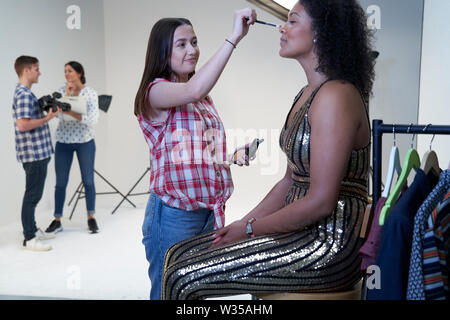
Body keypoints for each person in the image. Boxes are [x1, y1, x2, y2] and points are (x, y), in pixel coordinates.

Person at [162, 0, 376, 300]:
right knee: (176, 255)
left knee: (182, 277)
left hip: (328, 244)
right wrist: (240, 224)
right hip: (302, 232)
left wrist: (250, 229)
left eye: (292, 21)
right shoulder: (308, 94)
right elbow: (289, 181)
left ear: (321, 33)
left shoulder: (336, 96)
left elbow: (320, 203)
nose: (282, 27)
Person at [134, 8, 256, 300]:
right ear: (162, 53)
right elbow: (192, 90)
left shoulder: (202, 99)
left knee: (193, 293)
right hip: (174, 215)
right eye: (182, 44)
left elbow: (200, 151)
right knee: (170, 293)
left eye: (194, 41)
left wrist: (230, 157)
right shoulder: (155, 92)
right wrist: (234, 37)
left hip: (206, 212)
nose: (193, 50)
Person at [45, 61, 100, 234]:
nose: (66, 74)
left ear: (79, 73)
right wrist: (68, 102)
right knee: (60, 183)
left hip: (85, 141)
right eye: (65, 71)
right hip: (63, 142)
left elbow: (92, 120)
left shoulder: (90, 93)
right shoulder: (61, 92)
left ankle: (91, 217)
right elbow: (57, 117)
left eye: (70, 71)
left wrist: (68, 111)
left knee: (88, 181)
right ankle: (57, 219)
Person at [12, 56, 60, 251]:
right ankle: (29, 238)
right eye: (37, 69)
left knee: (33, 195)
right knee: (32, 196)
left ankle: (32, 229)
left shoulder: (25, 93)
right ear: (27, 70)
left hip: (37, 154)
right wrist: (48, 118)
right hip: (34, 155)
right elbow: (22, 125)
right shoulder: (23, 94)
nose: (39, 72)